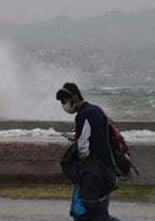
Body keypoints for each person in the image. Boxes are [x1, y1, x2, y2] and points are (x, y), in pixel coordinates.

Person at [57, 82, 121, 221]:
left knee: (88, 215)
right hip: (106, 169)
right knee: (99, 214)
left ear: (74, 98)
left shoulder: (84, 114)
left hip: (95, 173)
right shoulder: (96, 110)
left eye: (65, 101)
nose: (64, 105)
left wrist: (79, 157)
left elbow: (84, 147)